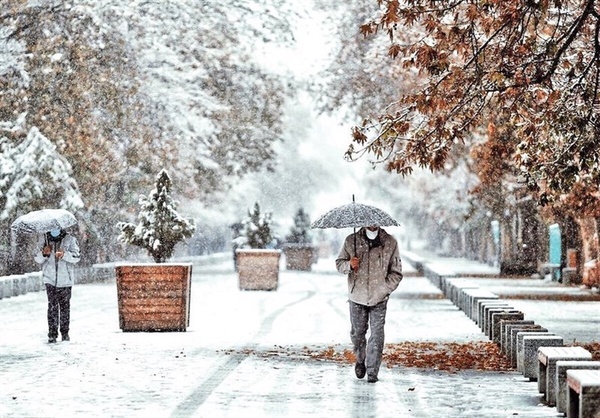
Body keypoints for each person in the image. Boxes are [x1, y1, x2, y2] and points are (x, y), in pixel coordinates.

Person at [336, 225, 403, 383]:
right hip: (357, 296)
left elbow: (397, 272)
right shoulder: (351, 241)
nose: (372, 224)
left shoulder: (390, 242)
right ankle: (360, 359)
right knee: (358, 333)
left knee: (377, 334)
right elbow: (339, 263)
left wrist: (385, 288)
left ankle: (372, 371)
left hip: (379, 297)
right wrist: (349, 265)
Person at [34, 228, 80, 343]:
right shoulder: (44, 240)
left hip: (65, 280)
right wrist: (44, 253)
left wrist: (65, 255)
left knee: (65, 307)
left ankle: (65, 333)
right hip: (49, 279)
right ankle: (52, 334)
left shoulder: (70, 240)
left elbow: (76, 257)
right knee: (52, 307)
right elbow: (37, 258)